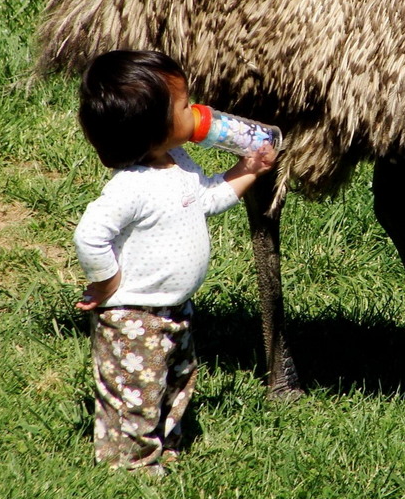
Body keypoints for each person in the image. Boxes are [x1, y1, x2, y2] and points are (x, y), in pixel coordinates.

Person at [72, 49, 277, 475]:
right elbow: (90, 235)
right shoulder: (131, 188)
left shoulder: (178, 162)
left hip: (175, 308)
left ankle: (165, 447)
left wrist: (250, 168)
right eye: (185, 105)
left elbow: (209, 199)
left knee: (175, 382)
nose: (198, 110)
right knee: (135, 393)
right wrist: (106, 284)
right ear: (155, 127)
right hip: (133, 315)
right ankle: (128, 465)